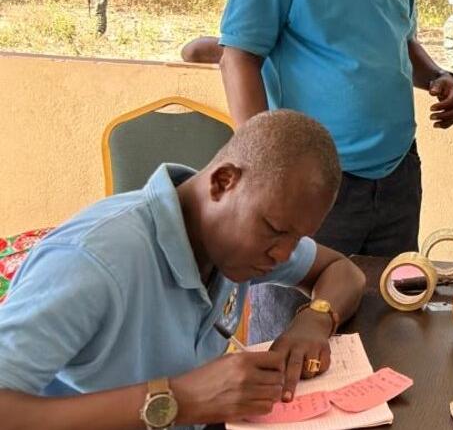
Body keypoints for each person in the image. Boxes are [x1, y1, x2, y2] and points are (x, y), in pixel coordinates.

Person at [218, 0, 453, 344]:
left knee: (386, 327)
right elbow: (238, 57)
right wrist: (261, 168)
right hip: (313, 187)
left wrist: (439, 77)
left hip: (396, 180)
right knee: (291, 338)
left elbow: (401, 43)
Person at [0, 110, 366, 430]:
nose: (284, 254)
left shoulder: (235, 242)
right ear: (223, 182)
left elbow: (343, 271)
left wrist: (315, 319)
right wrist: (180, 399)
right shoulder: (92, 262)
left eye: (297, 238)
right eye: (274, 230)